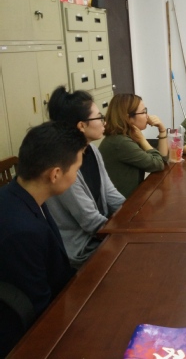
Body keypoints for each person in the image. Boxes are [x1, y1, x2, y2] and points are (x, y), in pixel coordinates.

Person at [0, 122, 87, 356]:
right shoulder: (22, 232)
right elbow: (40, 312)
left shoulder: (19, 192)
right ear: (55, 174)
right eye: (76, 169)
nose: (76, 176)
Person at [46, 86, 125, 268]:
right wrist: (125, 231)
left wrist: (133, 213)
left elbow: (110, 193)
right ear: (81, 125)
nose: (104, 121)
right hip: (82, 249)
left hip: (100, 234)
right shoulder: (65, 164)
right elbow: (89, 220)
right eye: (99, 117)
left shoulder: (92, 150)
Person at [99, 94, 167, 198]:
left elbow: (162, 160)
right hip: (124, 204)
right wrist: (143, 140)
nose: (147, 116)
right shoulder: (121, 142)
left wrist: (162, 130)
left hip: (132, 198)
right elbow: (158, 164)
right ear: (128, 118)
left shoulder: (127, 135)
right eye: (143, 112)